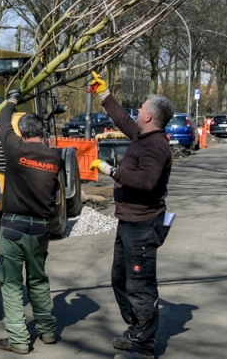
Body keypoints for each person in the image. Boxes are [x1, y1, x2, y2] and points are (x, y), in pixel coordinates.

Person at [88, 71, 175, 359]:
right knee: (120, 279)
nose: (137, 111)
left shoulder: (156, 146)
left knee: (139, 286)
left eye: (141, 109)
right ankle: (136, 330)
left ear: (150, 116)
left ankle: (143, 345)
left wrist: (113, 172)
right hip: (129, 222)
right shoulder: (142, 135)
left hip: (142, 225)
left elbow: (149, 180)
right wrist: (105, 95)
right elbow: (122, 120)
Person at [0, 89, 62, 355]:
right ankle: (47, 331)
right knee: (38, 280)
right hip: (41, 228)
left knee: (10, 283)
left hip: (13, 226)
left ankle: (19, 340)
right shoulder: (54, 158)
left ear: (21, 133)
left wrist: (11, 100)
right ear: (42, 133)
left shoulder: (15, 149)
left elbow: (1, 122)